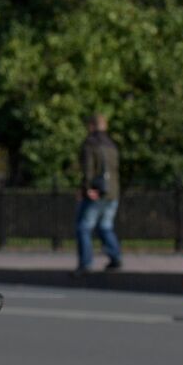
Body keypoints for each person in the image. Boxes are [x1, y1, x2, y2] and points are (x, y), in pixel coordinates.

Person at [76, 112, 122, 275]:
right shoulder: (111, 145)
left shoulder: (91, 144)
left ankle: (86, 263)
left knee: (83, 227)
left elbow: (88, 169)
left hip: (96, 192)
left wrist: (86, 189)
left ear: (92, 126)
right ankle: (115, 256)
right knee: (105, 226)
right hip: (113, 193)